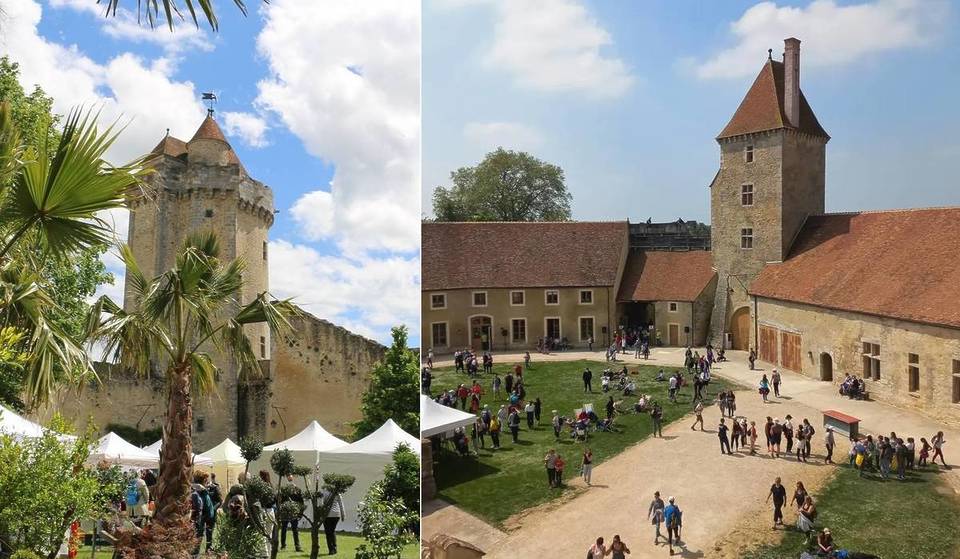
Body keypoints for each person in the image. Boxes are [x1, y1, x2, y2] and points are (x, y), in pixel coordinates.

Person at [279, 474, 304, 552]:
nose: (290, 479)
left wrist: (300, 513)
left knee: (295, 530)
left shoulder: (297, 489)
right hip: (285, 512)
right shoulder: (284, 490)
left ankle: (297, 546)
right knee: (284, 529)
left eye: (291, 478)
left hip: (294, 512)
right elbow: (281, 501)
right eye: (289, 478)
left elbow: (301, 502)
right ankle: (283, 545)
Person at [320, 486, 346, 555]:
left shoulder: (324, 492)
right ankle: (334, 548)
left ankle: (331, 550)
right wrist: (343, 515)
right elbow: (341, 504)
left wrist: (320, 514)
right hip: (336, 514)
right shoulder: (337, 492)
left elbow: (321, 503)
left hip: (327, 515)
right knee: (332, 531)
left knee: (328, 533)